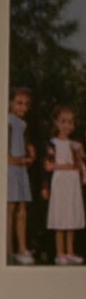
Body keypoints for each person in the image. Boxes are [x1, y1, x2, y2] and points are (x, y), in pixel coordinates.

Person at [44, 101, 85, 265]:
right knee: (61, 215)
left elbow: (81, 163)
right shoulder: (52, 143)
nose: (67, 126)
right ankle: (60, 253)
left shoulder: (75, 144)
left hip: (72, 183)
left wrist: (79, 155)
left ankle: (70, 251)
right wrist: (66, 166)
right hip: (60, 181)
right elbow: (48, 165)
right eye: (63, 121)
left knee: (71, 215)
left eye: (70, 122)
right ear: (57, 122)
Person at [8, 85, 37, 264]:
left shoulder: (23, 124)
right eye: (19, 103)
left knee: (22, 210)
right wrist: (17, 160)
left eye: (26, 104)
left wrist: (30, 155)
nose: (23, 108)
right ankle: (7, 249)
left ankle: (21, 248)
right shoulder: (8, 122)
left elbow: (26, 146)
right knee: (10, 208)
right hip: (11, 169)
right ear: (11, 103)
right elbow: (7, 152)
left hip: (21, 170)